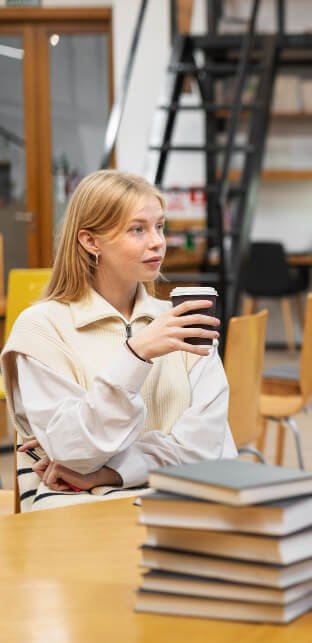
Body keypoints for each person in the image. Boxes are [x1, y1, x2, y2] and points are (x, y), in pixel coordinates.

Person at [1, 170, 237, 511]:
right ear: (90, 241)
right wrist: (136, 354)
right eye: (137, 229)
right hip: (78, 515)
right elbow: (74, 454)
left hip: (183, 509)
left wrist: (111, 471)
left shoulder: (183, 322)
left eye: (160, 226)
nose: (157, 242)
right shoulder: (41, 329)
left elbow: (205, 451)